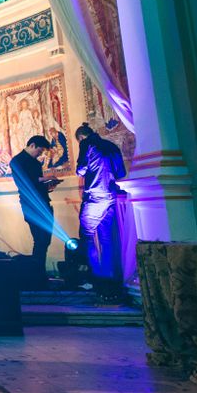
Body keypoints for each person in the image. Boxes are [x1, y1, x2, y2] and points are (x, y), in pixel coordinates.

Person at [75, 123, 127, 302]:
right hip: (111, 196)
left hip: (95, 196)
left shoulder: (86, 144)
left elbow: (80, 170)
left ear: (81, 137)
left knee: (87, 236)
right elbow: (121, 172)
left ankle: (96, 280)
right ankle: (110, 280)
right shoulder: (112, 146)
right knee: (106, 239)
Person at [9, 135, 57, 280]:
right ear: (32, 145)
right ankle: (38, 276)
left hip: (43, 203)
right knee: (40, 239)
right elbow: (24, 182)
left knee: (45, 240)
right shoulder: (17, 161)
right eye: (40, 151)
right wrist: (43, 179)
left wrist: (48, 185)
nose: (40, 154)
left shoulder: (36, 163)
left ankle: (39, 274)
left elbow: (37, 185)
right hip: (31, 206)